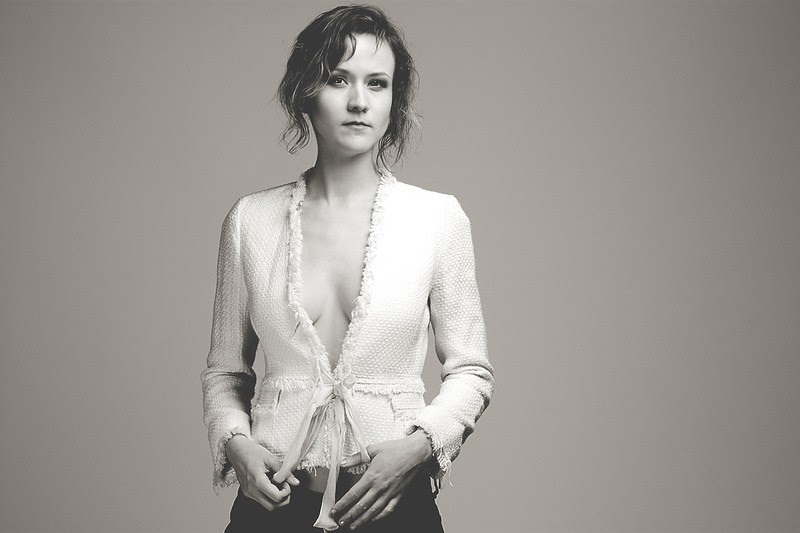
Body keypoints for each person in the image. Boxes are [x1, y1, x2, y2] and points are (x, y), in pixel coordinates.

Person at [200, 5, 495, 532]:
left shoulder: (436, 219)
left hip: (393, 506)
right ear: (305, 92)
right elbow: (226, 372)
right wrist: (235, 443)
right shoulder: (250, 221)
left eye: (377, 83)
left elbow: (471, 371)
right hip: (273, 508)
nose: (360, 101)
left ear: (393, 101)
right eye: (339, 79)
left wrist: (418, 447)